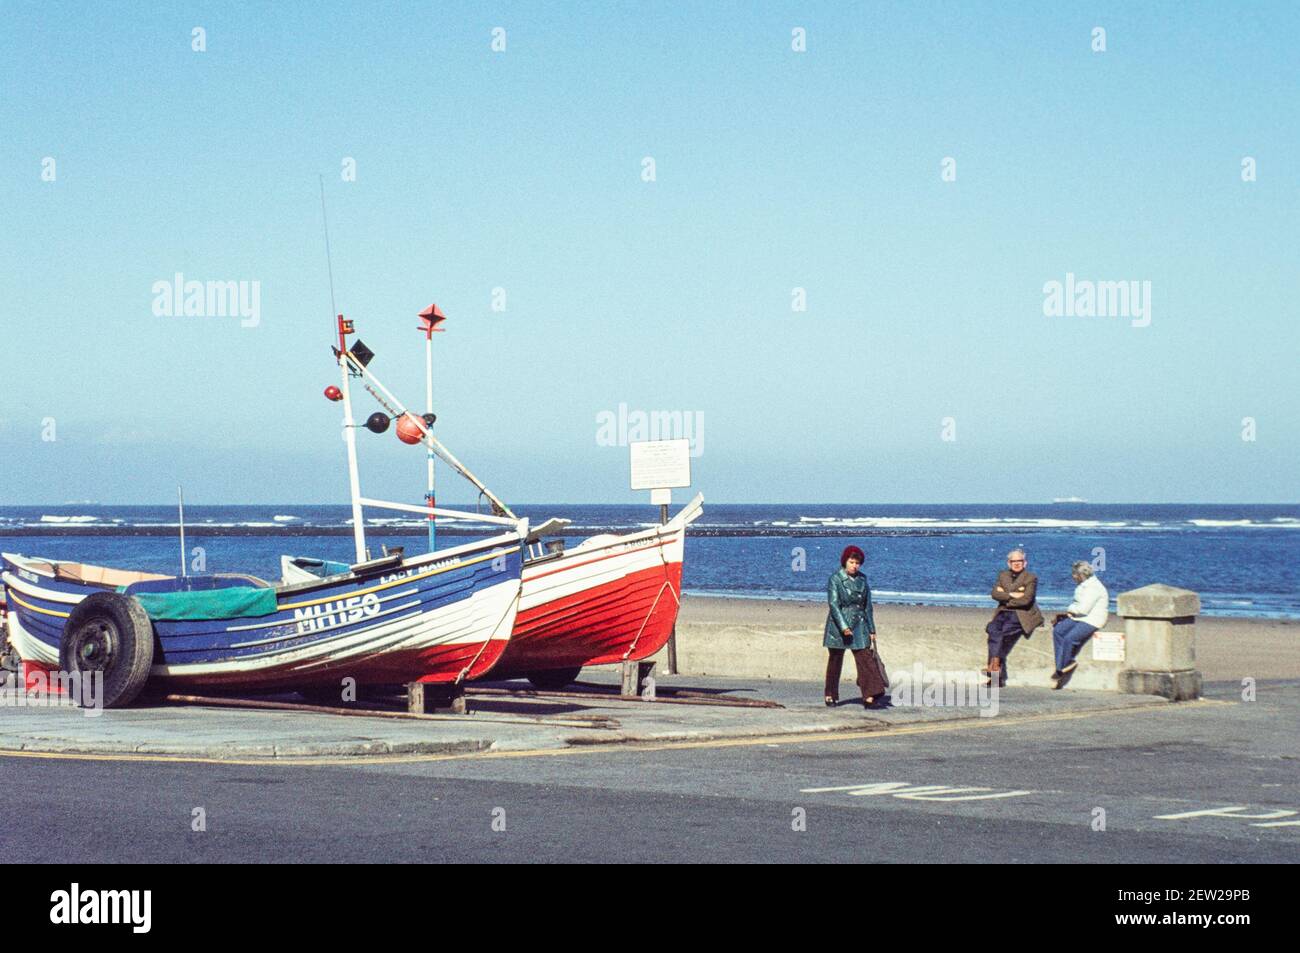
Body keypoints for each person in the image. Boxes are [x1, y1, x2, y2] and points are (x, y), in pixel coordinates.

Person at [823, 545, 889, 709]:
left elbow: (867, 606)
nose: (854, 566)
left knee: (865, 658)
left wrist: (872, 629)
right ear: (845, 561)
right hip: (838, 626)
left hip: (859, 624)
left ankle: (870, 696)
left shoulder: (863, 580)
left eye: (857, 563)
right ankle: (830, 694)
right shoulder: (835, 579)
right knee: (835, 661)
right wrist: (844, 627)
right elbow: (833, 604)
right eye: (851, 562)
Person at [984, 548, 1044, 687]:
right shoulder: (1003, 575)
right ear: (1009, 563)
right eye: (1014, 561)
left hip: (1021, 614)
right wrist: (1013, 594)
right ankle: (996, 668)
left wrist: (1005, 595)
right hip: (1003, 611)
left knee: (1002, 634)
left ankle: (994, 673)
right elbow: (994, 594)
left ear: (1025, 562)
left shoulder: (1031, 577)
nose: (1017, 563)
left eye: (1020, 561)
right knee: (992, 629)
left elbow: (1026, 600)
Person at [1051, 561, 1110, 689]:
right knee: (1058, 631)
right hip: (1080, 617)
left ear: (1080, 575)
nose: (1073, 577)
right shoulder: (1084, 585)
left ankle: (1064, 666)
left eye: (1074, 575)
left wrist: (1070, 609)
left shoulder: (1094, 587)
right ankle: (1061, 666)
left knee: (1070, 639)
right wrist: (1070, 611)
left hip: (1092, 620)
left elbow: (1083, 609)